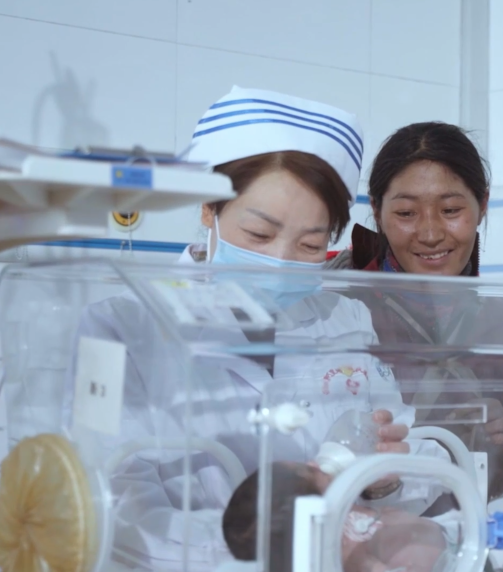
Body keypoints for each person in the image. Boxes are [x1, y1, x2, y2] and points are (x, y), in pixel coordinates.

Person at [63, 87, 442, 570]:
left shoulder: (345, 319)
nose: (280, 262)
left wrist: (385, 481)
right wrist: (273, 550)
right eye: (259, 234)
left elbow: (417, 453)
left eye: (310, 245)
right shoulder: (120, 327)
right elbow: (114, 503)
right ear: (209, 208)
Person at [326, 122, 503, 505]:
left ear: (482, 205)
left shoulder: (502, 319)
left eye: (451, 210)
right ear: (377, 211)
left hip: (463, 532)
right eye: (406, 212)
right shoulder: (339, 309)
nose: (430, 233)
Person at [222, 461, 503, 572]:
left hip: (452, 534)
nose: (315, 463)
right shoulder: (351, 559)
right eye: (309, 471)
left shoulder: (354, 512)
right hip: (458, 564)